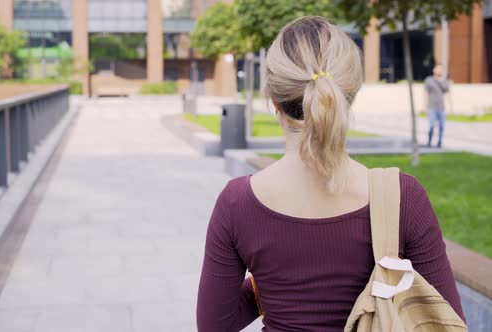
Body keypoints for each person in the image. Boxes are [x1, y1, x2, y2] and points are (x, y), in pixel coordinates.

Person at [196, 17, 464, 331]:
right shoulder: (404, 196)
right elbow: (448, 320)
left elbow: (216, 323)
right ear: (350, 94)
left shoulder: (237, 202)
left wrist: (268, 282)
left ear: (273, 101)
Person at [424, 65, 450, 148]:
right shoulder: (429, 80)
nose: (440, 71)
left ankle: (439, 142)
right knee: (432, 125)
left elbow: (446, 91)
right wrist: (424, 106)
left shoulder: (444, 80)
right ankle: (429, 142)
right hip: (432, 106)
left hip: (441, 107)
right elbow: (425, 93)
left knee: (442, 126)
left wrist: (440, 81)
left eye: (441, 70)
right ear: (434, 70)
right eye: (438, 69)